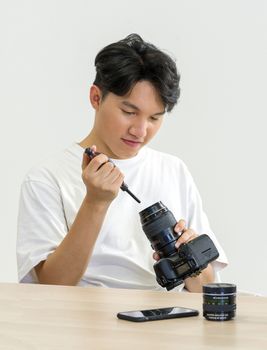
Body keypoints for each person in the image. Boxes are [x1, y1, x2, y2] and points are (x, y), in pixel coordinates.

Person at [17, 34, 227, 292]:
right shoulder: (46, 178)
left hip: (170, 319)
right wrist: (96, 202)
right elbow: (51, 286)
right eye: (129, 112)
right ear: (96, 98)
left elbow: (206, 289)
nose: (140, 130)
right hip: (85, 323)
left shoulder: (174, 170)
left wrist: (189, 256)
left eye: (154, 118)